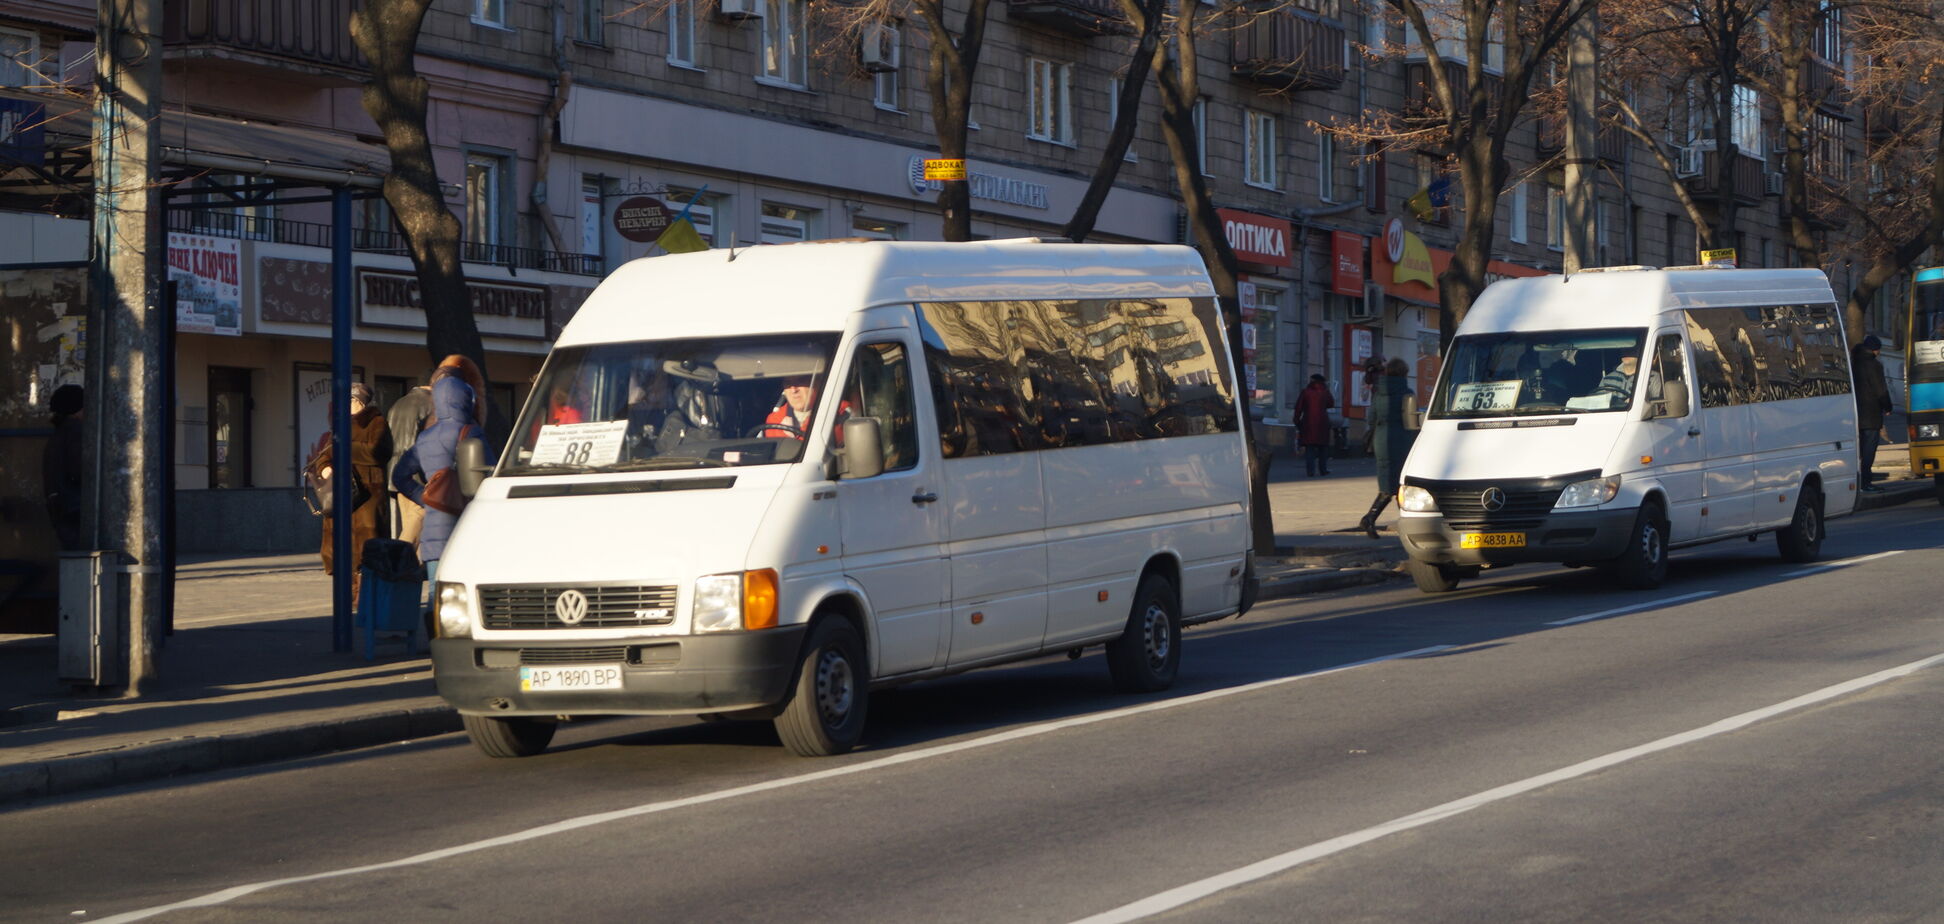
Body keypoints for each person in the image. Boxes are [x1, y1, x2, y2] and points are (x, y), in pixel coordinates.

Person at [392, 377, 492, 581]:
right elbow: (490, 472)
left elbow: (399, 476)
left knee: (434, 597)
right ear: (466, 400)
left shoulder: (425, 437)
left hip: (432, 532)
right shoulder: (471, 432)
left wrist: (426, 498)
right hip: (466, 524)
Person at [307, 382, 392, 606]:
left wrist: (345, 448)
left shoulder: (377, 422)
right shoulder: (340, 425)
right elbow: (325, 453)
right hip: (341, 495)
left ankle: (363, 596)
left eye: (350, 401)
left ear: (359, 402)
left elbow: (376, 452)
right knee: (342, 548)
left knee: (366, 547)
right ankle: (347, 594)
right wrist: (325, 466)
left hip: (367, 496)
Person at [1358, 358, 1417, 539]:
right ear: (1404, 373)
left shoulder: (1379, 393)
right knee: (1402, 484)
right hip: (1402, 442)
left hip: (1382, 441)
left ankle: (1372, 518)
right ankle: (1406, 524)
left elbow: (1371, 419)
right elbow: (1412, 422)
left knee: (1389, 484)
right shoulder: (1407, 393)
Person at [385, 372, 435, 544]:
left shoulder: (398, 403)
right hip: (417, 476)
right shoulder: (431, 405)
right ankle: (398, 559)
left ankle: (414, 568)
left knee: (410, 523)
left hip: (396, 471)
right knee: (417, 523)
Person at [40, 384, 85, 551]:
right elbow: (78, 470)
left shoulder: (60, 434)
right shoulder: (75, 432)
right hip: (75, 508)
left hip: (63, 507)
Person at [1852, 334, 1892, 492]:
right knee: (1869, 450)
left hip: (1855, 414)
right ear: (1875, 350)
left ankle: (1857, 482)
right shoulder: (1874, 365)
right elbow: (1880, 389)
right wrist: (1888, 407)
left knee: (1859, 450)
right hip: (1870, 414)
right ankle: (1866, 482)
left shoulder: (1853, 362)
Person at [1293, 374, 1336, 477]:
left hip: (1308, 423)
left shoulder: (1306, 392)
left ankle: (1310, 471)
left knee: (1310, 448)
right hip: (1323, 423)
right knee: (1323, 448)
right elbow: (1331, 404)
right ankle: (1323, 470)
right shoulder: (1325, 392)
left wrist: (1296, 421)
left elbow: (1298, 407)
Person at [763, 374, 820, 439]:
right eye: (788, 383)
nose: (794, 390)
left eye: (800, 381)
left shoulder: (830, 412)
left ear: (817, 383)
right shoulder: (775, 420)